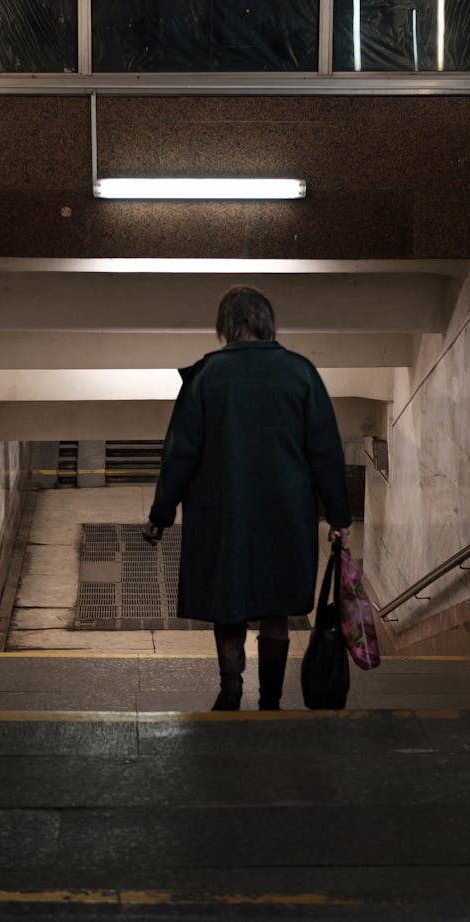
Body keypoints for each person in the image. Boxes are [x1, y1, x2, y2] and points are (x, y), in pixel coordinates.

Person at [143, 286, 351, 711]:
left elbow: (180, 452)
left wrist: (161, 515)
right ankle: (270, 700)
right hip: (286, 513)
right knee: (276, 608)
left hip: (223, 513)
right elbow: (325, 450)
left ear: (225, 326)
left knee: (229, 603)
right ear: (267, 322)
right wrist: (339, 515)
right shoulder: (301, 373)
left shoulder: (207, 376)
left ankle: (231, 689)